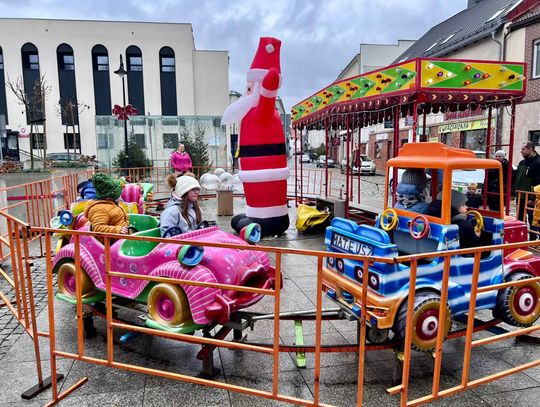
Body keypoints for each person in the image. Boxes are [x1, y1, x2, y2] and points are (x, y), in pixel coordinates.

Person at [513, 142, 540, 240]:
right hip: (520, 196)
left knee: (533, 218)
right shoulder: (522, 163)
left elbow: (538, 182)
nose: (521, 151)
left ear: (531, 149)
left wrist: (533, 198)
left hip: (531, 197)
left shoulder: (538, 162)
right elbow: (517, 179)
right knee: (519, 218)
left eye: (523, 149)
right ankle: (520, 238)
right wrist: (513, 193)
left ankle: (533, 239)